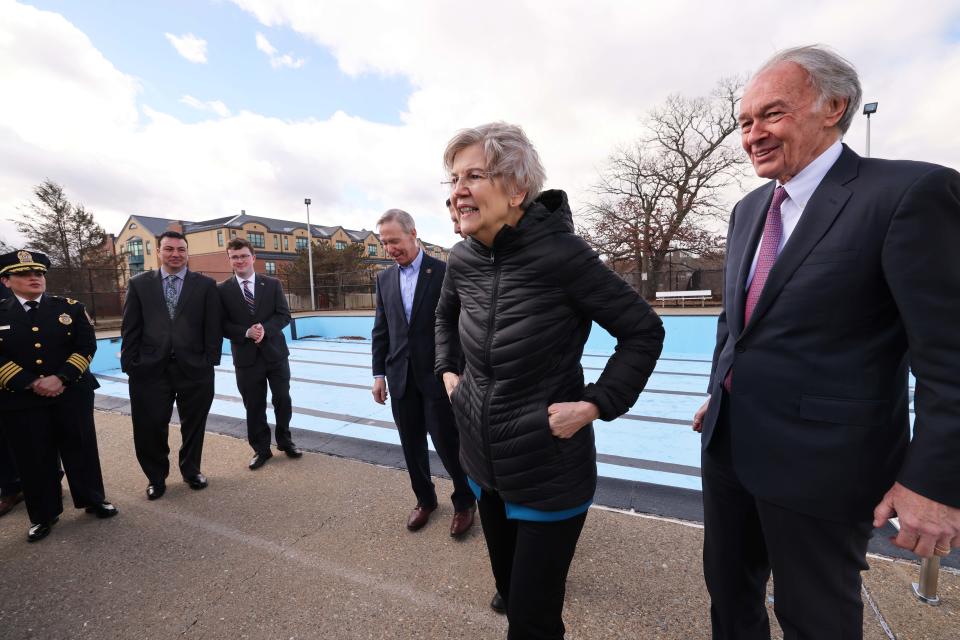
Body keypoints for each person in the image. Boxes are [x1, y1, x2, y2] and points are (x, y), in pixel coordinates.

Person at [692, 45, 960, 639]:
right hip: (730, 446)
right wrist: (723, 390)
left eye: (772, 115)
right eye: (744, 122)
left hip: (824, 466)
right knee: (728, 593)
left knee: (815, 615)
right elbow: (735, 324)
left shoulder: (908, 195)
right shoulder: (747, 209)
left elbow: (951, 359)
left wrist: (935, 484)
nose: (752, 135)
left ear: (834, 106)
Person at [435, 122, 664, 639]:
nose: (458, 190)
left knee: (534, 620)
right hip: (481, 460)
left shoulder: (564, 256)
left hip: (547, 468)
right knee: (509, 590)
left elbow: (643, 331)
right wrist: (449, 372)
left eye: (474, 175)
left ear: (517, 190)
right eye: (453, 179)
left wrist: (594, 405)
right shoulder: (462, 258)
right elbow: (443, 316)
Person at [371, 209, 476, 537]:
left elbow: (460, 325)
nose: (390, 248)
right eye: (385, 243)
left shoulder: (444, 272)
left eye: (395, 241)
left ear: (413, 233)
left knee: (447, 442)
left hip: (437, 377)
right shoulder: (384, 279)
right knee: (410, 444)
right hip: (400, 377)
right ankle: (425, 499)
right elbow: (381, 330)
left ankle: (464, 501)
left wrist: (458, 371)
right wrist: (378, 375)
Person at [0, 250, 117, 542]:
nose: (34, 278)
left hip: (71, 392)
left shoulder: (70, 308)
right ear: (6, 281)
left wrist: (60, 377)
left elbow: (86, 346)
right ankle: (43, 515)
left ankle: (92, 499)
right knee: (33, 456)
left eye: (38, 273)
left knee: (81, 447)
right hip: (21, 398)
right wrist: (31, 382)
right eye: (24, 274)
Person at [121, 231, 221, 500]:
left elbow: (213, 327)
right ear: (158, 252)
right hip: (150, 370)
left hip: (194, 369)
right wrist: (130, 364)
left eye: (180, 249)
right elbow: (130, 327)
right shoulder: (139, 284)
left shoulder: (206, 285)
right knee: (150, 426)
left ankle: (191, 470)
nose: (175, 254)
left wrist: (209, 360)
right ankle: (156, 477)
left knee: (194, 425)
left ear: (187, 253)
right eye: (169, 249)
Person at [218, 237, 301, 470]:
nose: (240, 260)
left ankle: (285, 441)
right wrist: (245, 332)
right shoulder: (222, 290)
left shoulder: (272, 284)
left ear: (253, 258)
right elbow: (221, 324)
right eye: (235, 257)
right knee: (253, 405)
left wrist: (265, 328)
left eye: (244, 255)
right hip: (246, 359)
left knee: (282, 400)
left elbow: (283, 315)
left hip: (275, 354)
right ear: (229, 260)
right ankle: (261, 449)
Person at [0, 278, 24, 518]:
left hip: (15, 378)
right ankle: (9, 488)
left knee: (38, 433)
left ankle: (50, 482)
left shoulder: (12, 278)